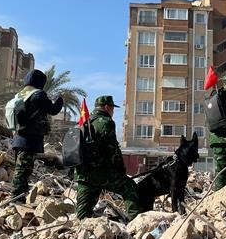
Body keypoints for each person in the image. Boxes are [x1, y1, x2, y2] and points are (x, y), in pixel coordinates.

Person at [74, 95, 143, 220]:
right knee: (129, 186)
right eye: (112, 108)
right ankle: (135, 223)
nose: (112, 111)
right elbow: (113, 150)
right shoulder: (106, 122)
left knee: (82, 215)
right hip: (100, 172)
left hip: (82, 174)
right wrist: (121, 169)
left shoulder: (84, 122)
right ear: (106, 107)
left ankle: (80, 230)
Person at [11, 69, 64, 197]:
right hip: (29, 140)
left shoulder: (22, 94)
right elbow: (53, 110)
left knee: (21, 170)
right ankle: (16, 197)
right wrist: (60, 100)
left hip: (19, 138)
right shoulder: (38, 95)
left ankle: (20, 196)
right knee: (23, 171)